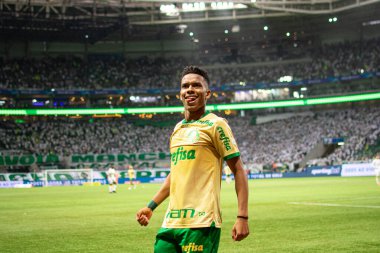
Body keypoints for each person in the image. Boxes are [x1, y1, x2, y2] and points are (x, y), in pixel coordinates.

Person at [136, 66, 249, 252]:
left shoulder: (216, 125)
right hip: (171, 222)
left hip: (202, 222)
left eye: (196, 85)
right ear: (180, 94)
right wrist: (151, 206)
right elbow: (176, 174)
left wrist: (242, 217)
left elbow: (238, 170)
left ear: (208, 93)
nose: (190, 89)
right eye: (185, 86)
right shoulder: (178, 128)